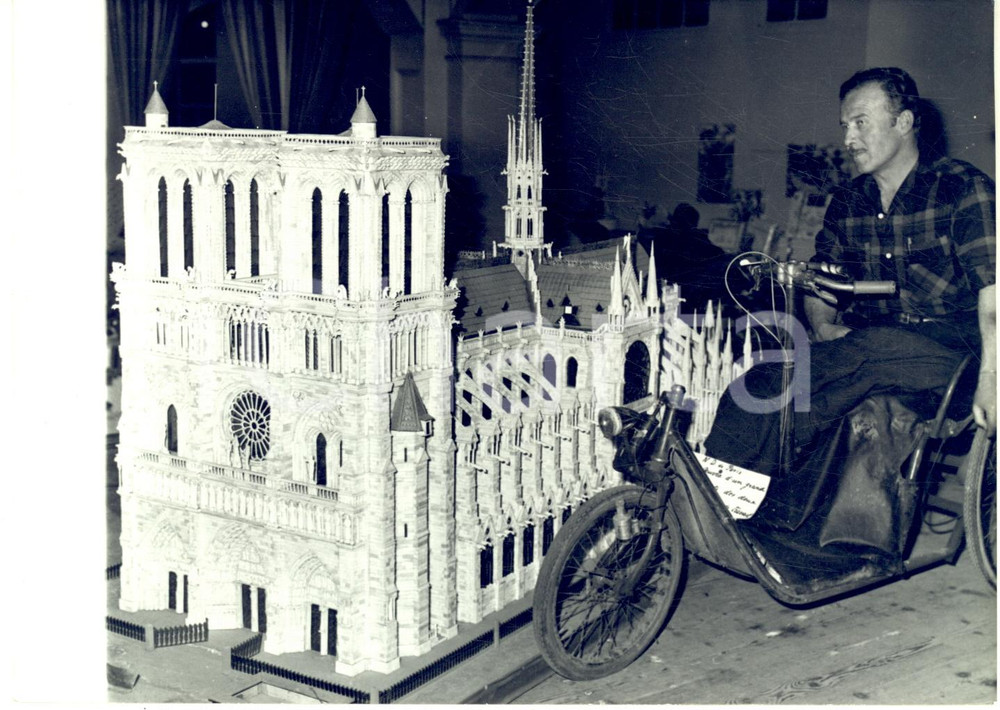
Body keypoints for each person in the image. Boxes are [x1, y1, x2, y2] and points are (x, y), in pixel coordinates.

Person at [704, 67, 995, 497]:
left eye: (861, 123)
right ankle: (727, 503)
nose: (847, 139)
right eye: (844, 126)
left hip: (954, 359)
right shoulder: (848, 202)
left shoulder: (962, 189)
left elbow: (995, 291)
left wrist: (993, 376)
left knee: (854, 362)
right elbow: (823, 279)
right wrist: (822, 325)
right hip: (872, 353)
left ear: (905, 122)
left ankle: (759, 493)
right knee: (762, 383)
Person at [642, 203, 729, 312]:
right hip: (693, 298)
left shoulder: (662, 237)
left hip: (668, 295)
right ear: (695, 223)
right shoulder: (700, 239)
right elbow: (719, 256)